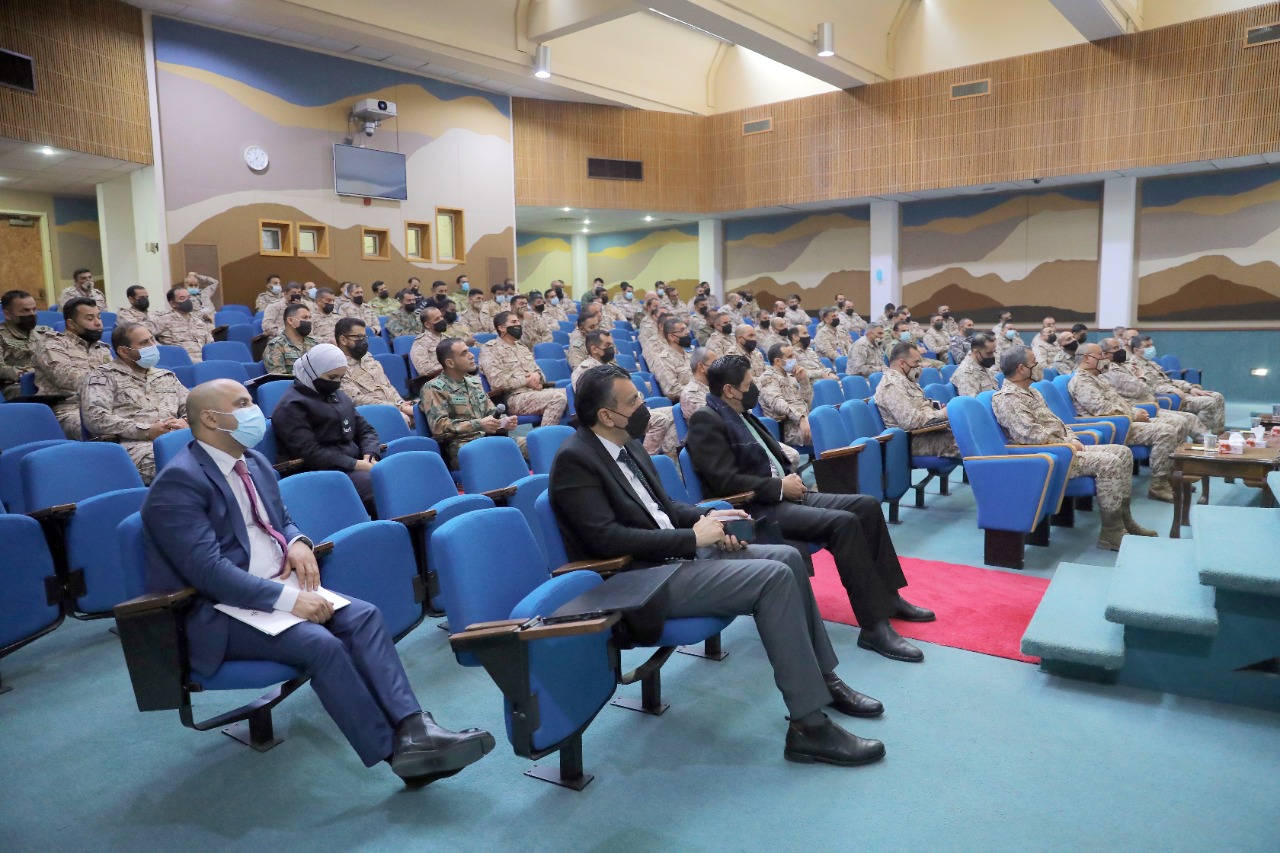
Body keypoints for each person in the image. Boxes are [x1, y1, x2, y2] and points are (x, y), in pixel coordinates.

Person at [142, 378, 493, 782]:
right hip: (221, 608)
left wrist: (297, 542)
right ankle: (394, 755)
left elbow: (282, 519)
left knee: (363, 616)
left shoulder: (253, 461)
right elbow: (209, 573)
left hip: (276, 586)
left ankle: (416, 729)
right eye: (242, 403)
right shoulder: (179, 482)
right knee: (320, 644)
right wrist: (290, 601)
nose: (255, 412)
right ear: (210, 418)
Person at [551, 364, 888, 765]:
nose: (645, 407)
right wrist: (693, 539)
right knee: (773, 578)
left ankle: (822, 680)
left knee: (787, 557)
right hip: (640, 582)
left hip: (672, 558)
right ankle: (809, 726)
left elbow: (663, 508)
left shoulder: (628, 445)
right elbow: (606, 540)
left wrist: (709, 518)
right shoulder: (575, 460)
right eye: (634, 401)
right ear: (607, 415)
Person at [687, 355, 933, 663]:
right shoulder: (706, 419)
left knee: (867, 506)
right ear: (729, 390)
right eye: (749, 384)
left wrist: (787, 481)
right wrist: (779, 486)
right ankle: (873, 626)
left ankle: (889, 596)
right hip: (756, 508)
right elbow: (722, 480)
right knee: (843, 523)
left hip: (785, 495)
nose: (755, 389)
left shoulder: (741, 413)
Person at [992, 347, 1147, 551]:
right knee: (1109, 462)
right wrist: (1067, 444)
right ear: (1021, 368)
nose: (1040, 366)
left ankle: (1124, 519)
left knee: (1122, 452)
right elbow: (1028, 435)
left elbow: (1058, 423)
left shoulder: (1033, 392)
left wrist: (1072, 438)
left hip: (1063, 447)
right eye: (1034, 362)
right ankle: (1111, 532)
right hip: (1047, 456)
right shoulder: (1007, 398)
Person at [273, 345, 382, 509]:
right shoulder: (291, 406)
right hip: (323, 472)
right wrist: (356, 464)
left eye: (341, 377)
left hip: (356, 465)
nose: (337, 383)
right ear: (313, 372)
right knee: (380, 489)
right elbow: (309, 453)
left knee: (397, 477)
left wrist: (370, 454)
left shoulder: (337, 395)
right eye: (332, 377)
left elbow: (366, 430)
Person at [1070, 343, 1182, 502]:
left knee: (1175, 424)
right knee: (1165, 431)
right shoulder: (1082, 381)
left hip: (1124, 420)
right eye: (1100, 355)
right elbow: (1101, 408)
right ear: (1087, 358)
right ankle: (1158, 486)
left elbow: (1118, 401)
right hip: (1112, 426)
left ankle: (1170, 476)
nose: (1104, 358)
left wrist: (1135, 410)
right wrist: (1133, 415)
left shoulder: (1097, 378)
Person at [81, 323, 188, 483]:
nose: (153, 346)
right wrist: (146, 431)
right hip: (134, 446)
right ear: (124, 351)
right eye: (144, 343)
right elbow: (95, 418)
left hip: (176, 439)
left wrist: (185, 421)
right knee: (181, 466)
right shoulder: (103, 377)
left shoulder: (166, 376)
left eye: (152, 340)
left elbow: (194, 406)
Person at [420, 339, 522, 468]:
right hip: (463, 448)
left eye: (468, 351)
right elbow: (439, 427)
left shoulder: (474, 383)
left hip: (488, 440)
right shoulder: (434, 388)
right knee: (498, 454)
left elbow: (491, 412)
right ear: (450, 363)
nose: (472, 355)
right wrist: (479, 424)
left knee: (533, 444)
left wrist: (504, 422)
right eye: (464, 353)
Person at [31, 297, 112, 438]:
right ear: (71, 324)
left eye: (99, 317)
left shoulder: (102, 348)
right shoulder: (52, 343)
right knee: (107, 430)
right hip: (69, 409)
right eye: (90, 318)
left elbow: (115, 377)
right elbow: (66, 377)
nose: (98, 323)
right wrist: (110, 381)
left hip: (104, 406)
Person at [479, 311, 567, 425]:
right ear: (502, 328)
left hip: (535, 392)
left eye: (518, 321)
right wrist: (526, 380)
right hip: (513, 398)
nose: (518, 324)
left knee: (573, 393)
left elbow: (539, 373)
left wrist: (537, 377)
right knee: (557, 398)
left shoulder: (522, 348)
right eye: (513, 322)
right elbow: (497, 383)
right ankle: (543, 435)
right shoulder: (490, 349)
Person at [874, 342, 960, 458]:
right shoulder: (891, 385)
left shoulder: (905, 380)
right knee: (965, 443)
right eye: (916, 362)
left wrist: (935, 409)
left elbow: (919, 406)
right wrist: (942, 414)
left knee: (968, 433)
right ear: (902, 363)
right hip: (912, 440)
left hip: (928, 431)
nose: (919, 366)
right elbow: (910, 422)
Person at [1127, 331, 1225, 434]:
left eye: (1152, 345)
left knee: (1217, 396)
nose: (1151, 348)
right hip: (1167, 397)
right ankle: (1202, 436)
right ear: (1136, 350)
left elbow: (1169, 381)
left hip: (1176, 392)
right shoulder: (1133, 367)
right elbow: (1147, 388)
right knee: (1209, 402)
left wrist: (1190, 388)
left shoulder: (1151, 363)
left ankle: (1217, 433)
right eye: (1147, 346)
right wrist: (1172, 389)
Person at [335, 317, 415, 427]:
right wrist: (399, 408)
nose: (363, 341)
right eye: (359, 337)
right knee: (404, 419)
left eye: (364, 337)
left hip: (395, 408)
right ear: (343, 340)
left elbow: (387, 385)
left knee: (424, 409)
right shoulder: (338, 367)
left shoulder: (367, 357)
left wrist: (401, 403)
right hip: (372, 416)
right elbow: (357, 400)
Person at [758, 343, 813, 447]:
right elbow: (777, 403)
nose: (794, 359)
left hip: (804, 422)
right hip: (788, 429)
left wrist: (804, 381)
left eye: (794, 355)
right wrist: (800, 418)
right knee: (825, 432)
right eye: (790, 356)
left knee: (832, 425)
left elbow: (807, 403)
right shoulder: (768, 378)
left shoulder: (791, 377)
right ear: (778, 361)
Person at [0, 289, 49, 400]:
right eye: (25, 311)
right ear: (7, 314)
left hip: (45, 383)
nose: (32, 314)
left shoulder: (43, 333)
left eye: (34, 309)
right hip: (15, 386)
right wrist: (30, 374)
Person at [154, 285, 213, 363]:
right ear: (173, 303)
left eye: (188, 297)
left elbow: (210, 344)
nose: (187, 300)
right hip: (180, 363)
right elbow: (146, 336)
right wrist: (163, 352)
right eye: (182, 298)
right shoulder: (163, 320)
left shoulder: (199, 321)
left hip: (204, 363)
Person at [263, 302, 316, 376]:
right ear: (290, 320)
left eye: (309, 318)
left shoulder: (313, 344)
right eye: (304, 317)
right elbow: (279, 377)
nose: (309, 321)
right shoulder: (276, 346)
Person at [408, 306, 449, 378]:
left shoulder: (448, 338)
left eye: (441, 317)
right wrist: (449, 366)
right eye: (437, 319)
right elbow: (424, 369)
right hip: (437, 380)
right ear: (427, 325)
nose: (441, 320)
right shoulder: (420, 343)